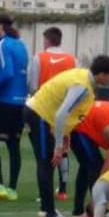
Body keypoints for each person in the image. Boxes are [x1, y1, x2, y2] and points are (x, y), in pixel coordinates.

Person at [25, 55, 109, 217]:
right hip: (40, 114)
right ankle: (49, 214)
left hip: (41, 113)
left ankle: (46, 209)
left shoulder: (83, 78)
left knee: (47, 162)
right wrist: (58, 146)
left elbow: (68, 114)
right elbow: (62, 114)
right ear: (101, 74)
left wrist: (65, 135)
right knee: (47, 162)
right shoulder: (82, 86)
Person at [0, 15, 30, 201]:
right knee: (13, 145)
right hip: (21, 102)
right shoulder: (21, 45)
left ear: (1, 27)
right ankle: (12, 190)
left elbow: (7, 72)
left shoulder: (2, 45)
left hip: (6, 101)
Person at [28, 26, 78, 202]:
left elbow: (33, 86)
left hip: (44, 109)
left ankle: (44, 192)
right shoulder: (72, 59)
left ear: (47, 41)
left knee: (45, 151)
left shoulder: (39, 57)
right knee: (63, 148)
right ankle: (62, 189)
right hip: (65, 108)